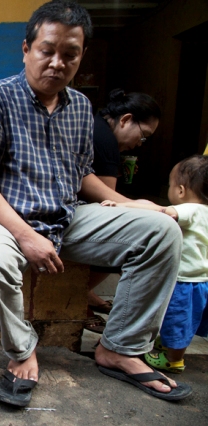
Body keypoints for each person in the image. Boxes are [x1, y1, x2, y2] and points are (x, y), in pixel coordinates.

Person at [0, 0, 191, 406]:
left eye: (70, 54)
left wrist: (133, 204)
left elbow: (82, 176)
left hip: (66, 218)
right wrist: (26, 236)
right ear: (26, 49)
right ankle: (21, 349)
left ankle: (120, 347)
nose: (57, 62)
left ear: (81, 56)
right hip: (1, 219)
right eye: (47, 50)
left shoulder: (81, 107)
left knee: (162, 232)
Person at [101, 155, 208, 374]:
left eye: (169, 184)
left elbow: (163, 212)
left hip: (184, 280)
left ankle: (173, 359)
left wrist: (123, 206)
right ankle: (167, 344)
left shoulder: (191, 210)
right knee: (184, 317)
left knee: (177, 318)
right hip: (200, 280)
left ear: (180, 190)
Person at [85, 89, 161, 333]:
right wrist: (146, 207)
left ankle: (85, 292)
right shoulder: (106, 140)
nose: (140, 143)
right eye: (143, 136)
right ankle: (79, 296)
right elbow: (108, 199)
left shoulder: (95, 124)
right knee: (133, 238)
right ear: (126, 119)